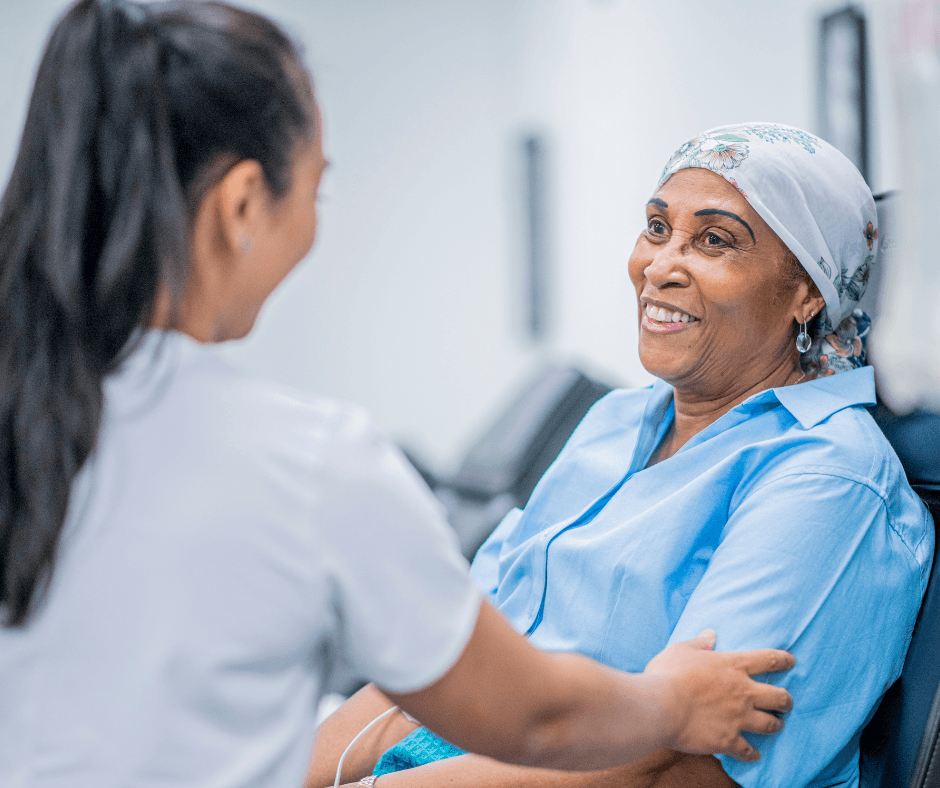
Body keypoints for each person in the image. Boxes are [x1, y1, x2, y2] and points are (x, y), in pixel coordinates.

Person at [0, 4, 800, 787]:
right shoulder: (308, 463)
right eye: (317, 189)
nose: (663, 266)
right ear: (243, 205)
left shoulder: (29, 411)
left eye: (712, 240)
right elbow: (531, 714)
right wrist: (672, 703)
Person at [309, 123, 934, 788]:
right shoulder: (614, 421)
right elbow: (455, 660)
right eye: (658, 228)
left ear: (808, 291)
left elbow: (672, 767)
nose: (660, 265)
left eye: (714, 240)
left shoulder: (826, 477)